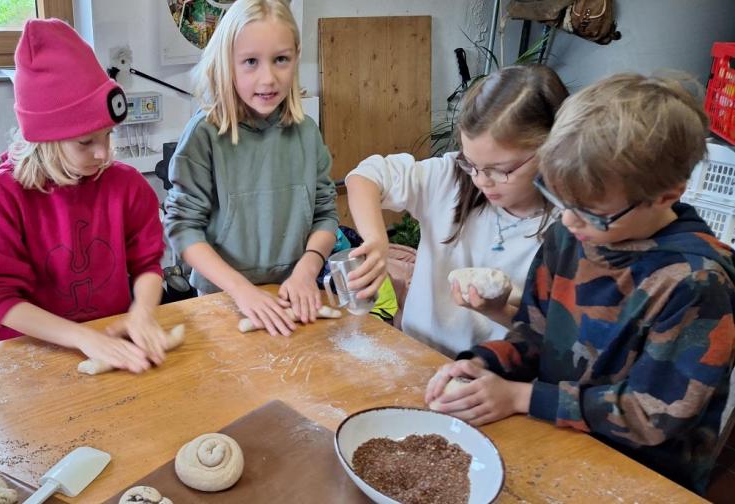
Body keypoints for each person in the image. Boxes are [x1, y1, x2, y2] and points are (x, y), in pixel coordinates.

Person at [427, 73, 735, 494]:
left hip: (643, 478)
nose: (569, 221)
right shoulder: (569, 236)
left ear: (666, 194)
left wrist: (520, 397)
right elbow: (534, 331)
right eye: (560, 199)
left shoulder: (696, 282)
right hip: (558, 438)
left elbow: (653, 416)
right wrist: (484, 365)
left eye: (592, 212)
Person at [0, 19, 167, 374]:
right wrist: (81, 337)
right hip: (30, 358)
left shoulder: (126, 186)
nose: (103, 153)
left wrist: (142, 312)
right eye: (85, 142)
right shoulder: (4, 197)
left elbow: (147, 264)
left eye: (108, 135)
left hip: (111, 344)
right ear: (44, 139)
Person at [345, 65, 568, 355]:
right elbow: (365, 176)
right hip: (416, 352)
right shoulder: (450, 178)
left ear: (553, 149)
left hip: (490, 373)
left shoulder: (570, 225)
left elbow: (551, 338)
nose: (482, 181)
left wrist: (497, 310)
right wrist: (376, 240)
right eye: (471, 164)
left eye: (501, 170)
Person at [164, 0, 338, 337]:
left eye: (281, 59)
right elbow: (183, 229)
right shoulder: (205, 135)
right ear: (227, 63)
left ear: (296, 57)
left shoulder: (306, 132)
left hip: (291, 295)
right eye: (250, 62)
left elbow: (325, 215)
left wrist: (307, 269)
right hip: (221, 298)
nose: (268, 78)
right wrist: (241, 290)